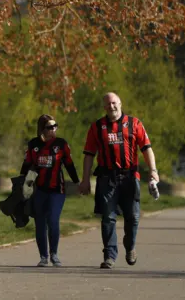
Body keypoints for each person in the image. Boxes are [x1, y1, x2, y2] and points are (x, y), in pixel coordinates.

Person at [78, 92, 159, 269]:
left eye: (114, 103)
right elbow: (89, 155)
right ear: (104, 108)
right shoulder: (97, 127)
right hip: (107, 178)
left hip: (130, 177)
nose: (111, 107)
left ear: (120, 103)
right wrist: (85, 180)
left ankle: (130, 246)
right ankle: (110, 255)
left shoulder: (134, 124)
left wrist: (153, 171)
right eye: (107, 105)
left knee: (134, 217)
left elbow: (146, 148)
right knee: (108, 217)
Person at [20, 114, 79, 267]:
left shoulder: (61, 144)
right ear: (42, 129)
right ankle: (43, 257)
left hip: (56, 190)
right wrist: (21, 182)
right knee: (40, 223)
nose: (53, 129)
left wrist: (78, 182)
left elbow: (69, 164)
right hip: (39, 190)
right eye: (49, 127)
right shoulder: (34, 144)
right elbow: (27, 164)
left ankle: (54, 254)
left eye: (55, 126)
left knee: (53, 220)